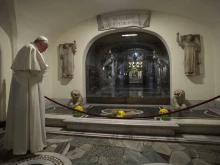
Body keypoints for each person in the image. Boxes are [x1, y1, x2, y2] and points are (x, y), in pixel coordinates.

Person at [3, 36, 49, 155]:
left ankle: (26, 143)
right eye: (44, 48)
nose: (44, 51)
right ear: (39, 43)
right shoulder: (30, 48)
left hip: (27, 83)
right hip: (27, 85)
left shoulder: (30, 48)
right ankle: (26, 144)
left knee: (27, 113)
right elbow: (35, 70)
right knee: (27, 112)